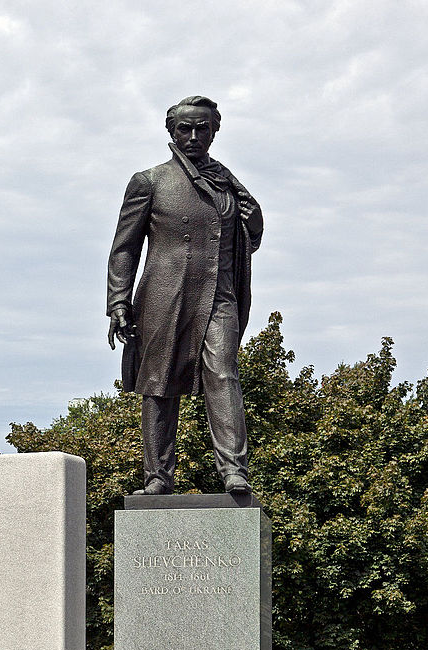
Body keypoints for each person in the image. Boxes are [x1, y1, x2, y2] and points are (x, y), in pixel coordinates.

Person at [106, 95, 264, 496]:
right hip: (165, 294)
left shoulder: (227, 184)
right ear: (171, 131)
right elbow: (125, 247)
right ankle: (157, 476)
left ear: (214, 131)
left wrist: (250, 214)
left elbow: (251, 240)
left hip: (218, 295)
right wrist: (119, 301)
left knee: (223, 372)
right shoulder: (150, 181)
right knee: (159, 385)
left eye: (202, 128)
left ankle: (234, 470)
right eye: (185, 128)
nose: (194, 136)